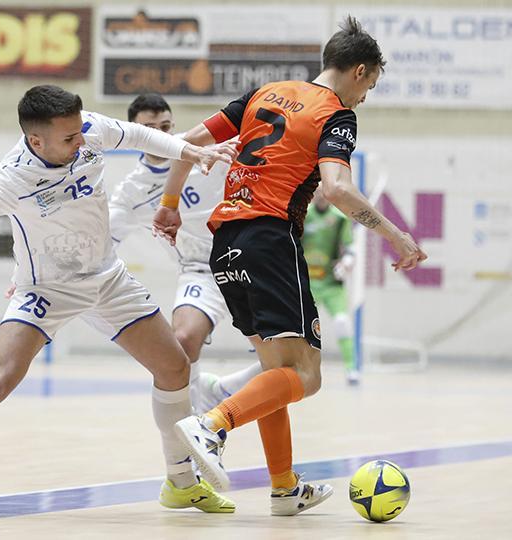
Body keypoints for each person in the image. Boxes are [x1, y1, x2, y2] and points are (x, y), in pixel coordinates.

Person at [0, 84, 238, 517]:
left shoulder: (86, 128)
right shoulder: (11, 178)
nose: (80, 141)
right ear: (37, 141)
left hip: (108, 279)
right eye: (68, 138)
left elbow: (137, 136)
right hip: (46, 291)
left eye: (80, 132)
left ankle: (181, 482)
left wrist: (192, 154)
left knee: (175, 367)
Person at [152, 17, 427, 516]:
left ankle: (284, 487)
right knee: (308, 374)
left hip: (225, 241)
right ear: (360, 72)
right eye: (370, 87)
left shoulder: (266, 93)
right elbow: (338, 189)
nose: (365, 98)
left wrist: (169, 203)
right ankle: (211, 424)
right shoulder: (337, 114)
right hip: (271, 240)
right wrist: (395, 236)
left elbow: (187, 143)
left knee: (274, 369)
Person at [109, 93, 264, 413]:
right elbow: (101, 241)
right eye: (149, 129)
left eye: (166, 127)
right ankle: (191, 433)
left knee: (288, 361)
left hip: (251, 262)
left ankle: (219, 391)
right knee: (183, 339)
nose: (160, 136)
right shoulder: (132, 192)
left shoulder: (205, 148)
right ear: (134, 134)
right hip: (200, 269)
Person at [303, 189, 360, 384]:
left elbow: (349, 249)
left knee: (342, 322)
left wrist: (346, 263)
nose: (320, 195)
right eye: (316, 191)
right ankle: (300, 367)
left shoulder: (339, 219)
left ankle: (351, 368)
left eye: (323, 191)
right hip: (307, 284)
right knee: (300, 328)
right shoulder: (303, 215)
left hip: (331, 284)